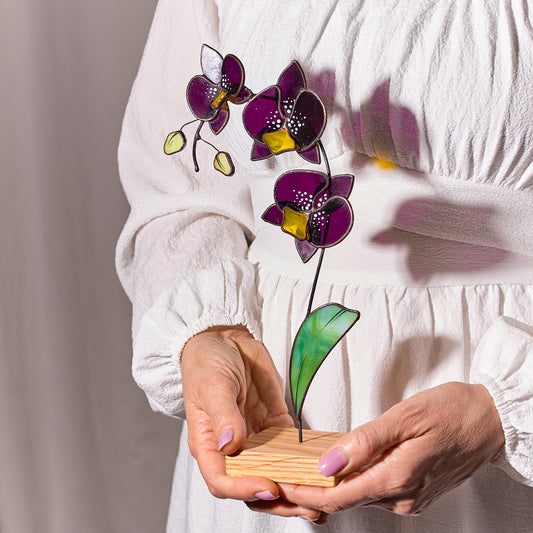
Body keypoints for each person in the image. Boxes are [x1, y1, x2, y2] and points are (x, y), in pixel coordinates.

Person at [116, 0, 533, 531]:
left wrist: (510, 412)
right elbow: (179, 193)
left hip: (502, 408)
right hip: (269, 414)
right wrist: (205, 336)